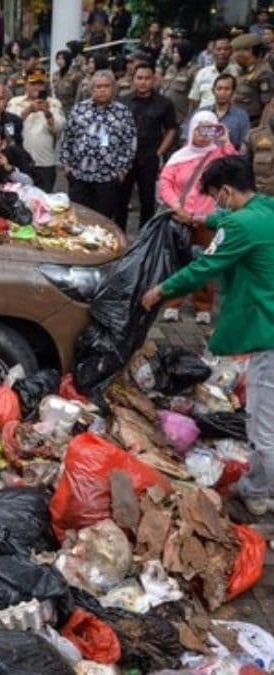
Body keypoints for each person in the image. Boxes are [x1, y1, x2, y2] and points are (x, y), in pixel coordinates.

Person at [140, 155, 274, 516]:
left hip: (269, 335)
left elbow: (204, 267)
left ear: (227, 191)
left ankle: (261, 492)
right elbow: (230, 220)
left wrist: (160, 290)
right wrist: (199, 218)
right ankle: (259, 487)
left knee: (264, 433)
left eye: (217, 197)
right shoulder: (266, 209)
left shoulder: (242, 225)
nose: (217, 204)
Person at [159, 111, 237, 324]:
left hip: (208, 218)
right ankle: (173, 303)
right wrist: (176, 206)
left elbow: (236, 169)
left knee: (206, 261)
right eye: (199, 129)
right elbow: (165, 182)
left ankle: (203, 305)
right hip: (180, 216)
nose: (203, 135)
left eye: (208, 129)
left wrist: (226, 142)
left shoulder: (219, 155)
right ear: (191, 129)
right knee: (178, 260)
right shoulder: (179, 156)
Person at [59, 70, 138, 224]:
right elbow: (66, 138)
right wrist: (66, 166)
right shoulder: (79, 109)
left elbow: (130, 143)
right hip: (79, 176)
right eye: (98, 87)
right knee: (78, 219)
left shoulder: (123, 112)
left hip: (107, 178)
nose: (102, 90)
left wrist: (122, 170)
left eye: (106, 86)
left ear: (113, 89)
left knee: (103, 221)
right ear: (91, 89)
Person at [119, 61, 179, 228]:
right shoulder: (123, 102)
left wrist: (159, 152)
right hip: (125, 158)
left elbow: (171, 129)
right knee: (121, 199)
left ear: (154, 79)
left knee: (147, 200)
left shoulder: (164, 103)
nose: (143, 82)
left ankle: (144, 238)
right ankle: (120, 236)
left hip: (150, 157)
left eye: (147, 78)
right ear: (133, 79)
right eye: (139, 78)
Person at [7, 68, 65, 191]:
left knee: (44, 201)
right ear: (25, 83)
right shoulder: (15, 102)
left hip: (45, 163)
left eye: (40, 84)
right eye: (33, 84)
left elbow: (59, 129)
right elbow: (9, 128)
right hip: (20, 162)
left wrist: (48, 113)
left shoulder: (54, 103)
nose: (37, 88)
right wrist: (28, 110)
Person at [231, 33, 274, 126]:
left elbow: (268, 105)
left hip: (252, 124)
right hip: (237, 121)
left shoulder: (263, 73)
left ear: (249, 51)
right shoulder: (242, 71)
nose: (234, 56)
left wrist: (262, 129)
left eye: (236, 51)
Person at [190, 37, 240, 112]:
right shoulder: (203, 73)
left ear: (231, 52)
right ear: (213, 51)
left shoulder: (238, 72)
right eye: (218, 49)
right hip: (204, 119)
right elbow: (194, 100)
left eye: (226, 49)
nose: (222, 52)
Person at [160, 40, 199, 131]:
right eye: (173, 52)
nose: (173, 55)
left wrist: (189, 118)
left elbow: (194, 98)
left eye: (176, 53)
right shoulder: (171, 68)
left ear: (184, 53)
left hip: (181, 119)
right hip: (165, 117)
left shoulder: (194, 71)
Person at [208, 74, 251, 152]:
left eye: (227, 89)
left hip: (229, 160)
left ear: (233, 92)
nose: (222, 92)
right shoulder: (202, 113)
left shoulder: (241, 116)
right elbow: (187, 138)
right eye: (219, 88)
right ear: (213, 91)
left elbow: (244, 146)